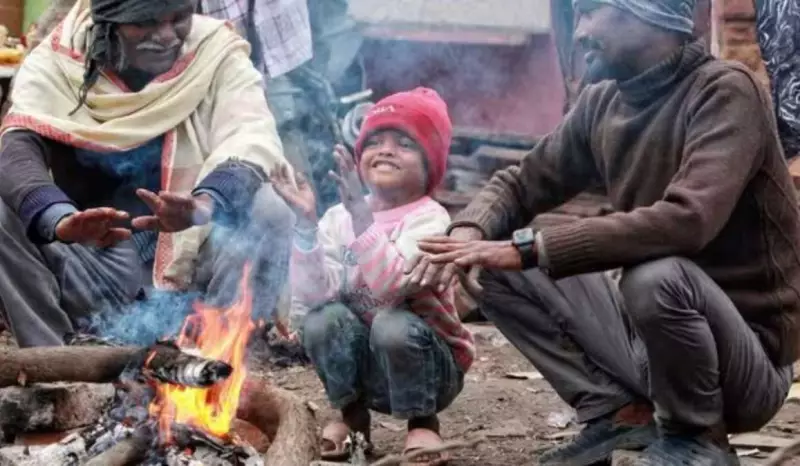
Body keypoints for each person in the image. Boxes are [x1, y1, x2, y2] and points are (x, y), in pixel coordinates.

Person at [417, 0, 800, 464]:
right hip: (655, 351)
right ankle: (620, 414)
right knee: (488, 261)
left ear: (651, 15)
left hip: (745, 369)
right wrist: (468, 231)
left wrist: (532, 248)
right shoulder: (601, 102)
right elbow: (520, 184)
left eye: (590, 12)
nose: (579, 33)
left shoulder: (725, 91)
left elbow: (689, 220)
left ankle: (696, 439)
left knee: (653, 275)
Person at [0, 0, 294, 347]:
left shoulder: (215, 51)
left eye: (178, 18)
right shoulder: (58, 61)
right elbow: (15, 150)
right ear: (108, 24)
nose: (167, 36)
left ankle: (217, 370)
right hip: (97, 269)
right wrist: (59, 219)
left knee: (269, 209)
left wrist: (205, 202)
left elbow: (252, 136)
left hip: (195, 276)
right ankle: (58, 371)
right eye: (147, 22)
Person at [271, 88, 475, 464]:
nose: (385, 150)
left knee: (392, 323)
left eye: (404, 143)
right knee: (322, 320)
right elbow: (313, 296)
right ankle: (351, 417)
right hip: (366, 366)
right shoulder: (337, 217)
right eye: (374, 141)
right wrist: (305, 226)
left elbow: (392, 286)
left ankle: (423, 424)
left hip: (431, 368)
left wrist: (363, 221)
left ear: (430, 164)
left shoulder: (430, 219)